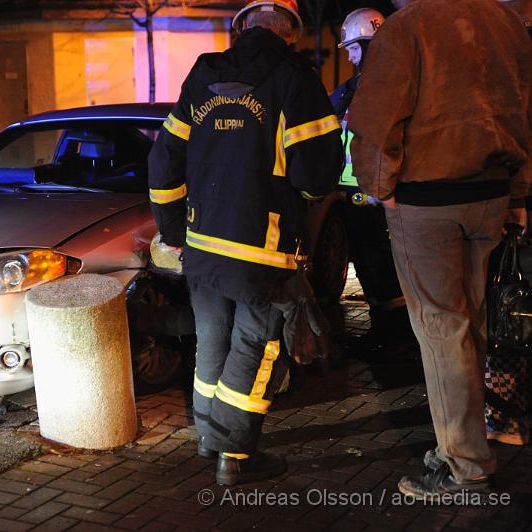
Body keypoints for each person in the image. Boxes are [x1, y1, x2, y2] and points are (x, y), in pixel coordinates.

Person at [148, 0, 343, 486]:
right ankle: (233, 456)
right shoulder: (296, 77)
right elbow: (316, 175)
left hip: (202, 246)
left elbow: (164, 159)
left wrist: (174, 230)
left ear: (239, 26)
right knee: (254, 345)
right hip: (263, 248)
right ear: (291, 32)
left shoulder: (203, 74)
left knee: (210, 339)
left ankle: (207, 438)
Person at [348, 0, 532, 499]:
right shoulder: (504, 22)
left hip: (427, 201)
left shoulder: (408, 26)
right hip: (490, 193)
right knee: (469, 325)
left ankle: (465, 465)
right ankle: (468, 444)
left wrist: (380, 186)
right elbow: (522, 110)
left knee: (441, 329)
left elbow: (376, 115)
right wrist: (517, 193)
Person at [331, 8, 408, 345]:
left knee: (384, 266)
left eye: (351, 48)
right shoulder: (351, 89)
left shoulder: (385, 87)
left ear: (367, 44)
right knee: (367, 263)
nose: (348, 55)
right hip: (355, 191)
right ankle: (385, 333)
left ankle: (396, 339)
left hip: (378, 194)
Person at [484, 0, 532, 448]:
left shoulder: (504, 54)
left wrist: (516, 198)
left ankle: (506, 420)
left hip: (518, 201)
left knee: (509, 309)